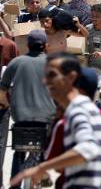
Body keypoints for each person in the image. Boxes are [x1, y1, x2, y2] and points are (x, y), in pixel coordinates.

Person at [10, 53, 101, 188]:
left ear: (71, 77)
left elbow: (88, 149)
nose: (45, 81)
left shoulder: (78, 110)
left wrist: (41, 167)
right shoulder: (83, 107)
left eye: (52, 75)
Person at [0, 30, 56, 181]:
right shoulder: (53, 63)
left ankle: (15, 183)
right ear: (46, 45)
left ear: (27, 45)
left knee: (19, 153)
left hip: (21, 117)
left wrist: (6, 104)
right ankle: (42, 176)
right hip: (46, 118)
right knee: (43, 151)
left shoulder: (16, 63)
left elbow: (2, 90)